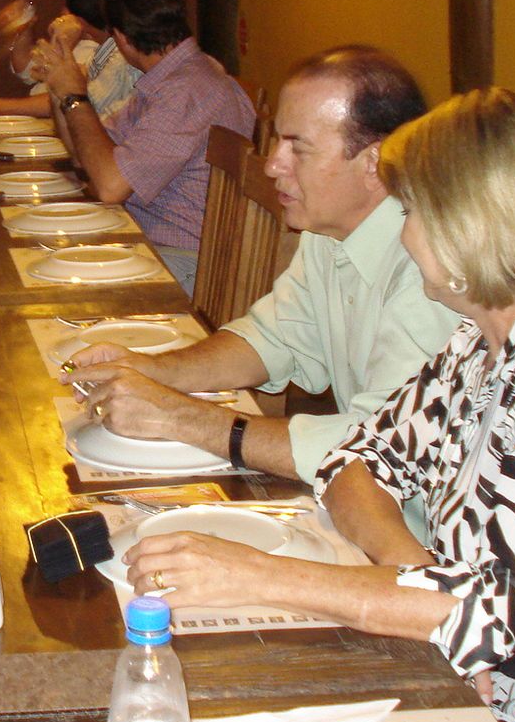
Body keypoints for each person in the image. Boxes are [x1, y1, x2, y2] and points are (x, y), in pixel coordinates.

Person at [124, 88, 515, 722]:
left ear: (464, 228)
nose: (402, 231)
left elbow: (482, 613)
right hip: (477, 677)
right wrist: (423, 586)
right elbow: (355, 463)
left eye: (411, 211)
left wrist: (254, 574)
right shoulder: (484, 342)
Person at [69, 47, 458, 495]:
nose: (273, 164)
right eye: (277, 141)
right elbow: (273, 337)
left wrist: (180, 416)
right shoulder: (329, 230)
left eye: (298, 147)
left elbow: (383, 447)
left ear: (374, 163)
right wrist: (152, 370)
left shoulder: (432, 271)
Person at [38, 0, 254, 293]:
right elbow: (88, 157)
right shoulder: (169, 78)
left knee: (52, 283)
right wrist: (60, 87)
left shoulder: (187, 91)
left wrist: (75, 96)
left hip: (190, 264)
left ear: (122, 39)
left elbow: (110, 187)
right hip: (153, 244)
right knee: (46, 254)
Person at [0, 0, 141, 121]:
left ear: (79, 17)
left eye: (65, 4)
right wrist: (24, 26)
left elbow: (77, 103)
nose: (62, 12)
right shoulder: (103, 50)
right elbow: (32, 72)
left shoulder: (120, 56)